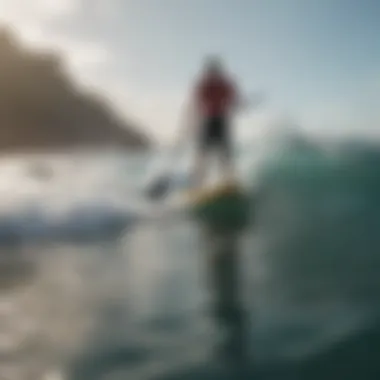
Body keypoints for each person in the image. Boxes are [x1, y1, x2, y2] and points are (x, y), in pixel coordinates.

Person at [188, 56, 241, 188]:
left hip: (220, 121)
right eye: (212, 71)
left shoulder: (224, 85)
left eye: (215, 71)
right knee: (203, 153)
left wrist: (235, 103)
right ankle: (198, 183)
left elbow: (234, 99)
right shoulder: (205, 85)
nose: (213, 74)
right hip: (209, 121)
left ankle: (229, 181)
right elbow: (197, 103)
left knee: (224, 152)